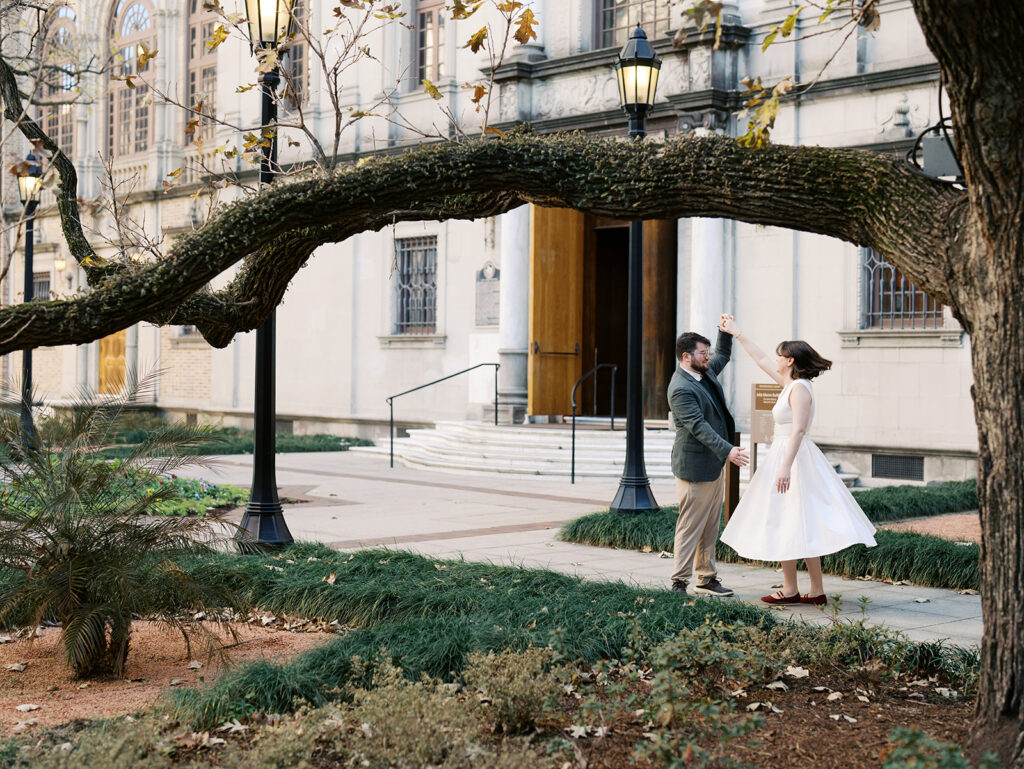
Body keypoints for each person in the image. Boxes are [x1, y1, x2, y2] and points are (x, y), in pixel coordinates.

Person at [717, 315, 877, 605]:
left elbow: (800, 430)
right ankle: (803, 589)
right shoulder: (789, 384)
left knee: (796, 520)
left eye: (781, 356)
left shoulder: (800, 388)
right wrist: (737, 333)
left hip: (793, 457)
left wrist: (785, 467)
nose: (776, 359)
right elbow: (762, 358)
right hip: (785, 454)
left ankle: (806, 589)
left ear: (790, 361)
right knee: (789, 520)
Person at [667, 327, 749, 597]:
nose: (708, 357)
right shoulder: (680, 388)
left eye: (707, 352)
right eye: (703, 353)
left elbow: (724, 353)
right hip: (694, 469)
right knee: (690, 526)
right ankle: (679, 582)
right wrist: (728, 451)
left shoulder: (704, 372)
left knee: (710, 526)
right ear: (686, 356)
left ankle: (707, 578)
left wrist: (724, 330)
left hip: (713, 465)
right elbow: (698, 427)